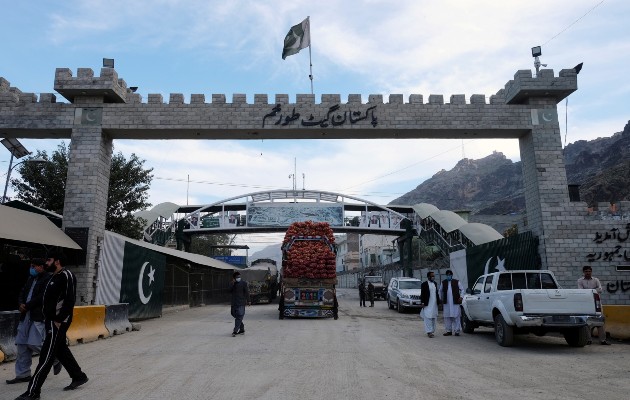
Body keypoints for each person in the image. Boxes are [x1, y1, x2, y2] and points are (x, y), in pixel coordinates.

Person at [17, 251, 88, 400]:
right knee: (61, 350)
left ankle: (33, 392)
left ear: (57, 261)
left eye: (48, 260)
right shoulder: (52, 277)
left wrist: (59, 319)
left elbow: (70, 300)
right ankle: (78, 376)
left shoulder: (67, 275)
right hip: (50, 320)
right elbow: (44, 298)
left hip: (58, 322)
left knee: (46, 356)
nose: (46, 263)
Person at [6, 259, 61, 385]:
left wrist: (28, 305)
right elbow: (22, 292)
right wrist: (20, 303)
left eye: (33, 266)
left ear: (41, 267)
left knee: (34, 343)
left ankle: (55, 357)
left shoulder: (47, 279)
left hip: (37, 317)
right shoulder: (30, 279)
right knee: (21, 345)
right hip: (25, 316)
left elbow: (42, 297)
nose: (31, 268)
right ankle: (23, 374)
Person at [578, 266, 610, 345]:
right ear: (583, 272)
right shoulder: (580, 280)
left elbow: (600, 290)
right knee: (588, 322)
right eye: (586, 271)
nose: (588, 273)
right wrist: (593, 290)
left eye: (589, 271)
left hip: (597, 303)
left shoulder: (596, 280)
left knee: (600, 321)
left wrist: (588, 291)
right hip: (586, 304)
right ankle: (588, 340)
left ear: (591, 272)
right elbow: (581, 292)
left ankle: (603, 340)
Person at [440, 270, 464, 336]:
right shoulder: (443, 282)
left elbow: (462, 290)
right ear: (446, 275)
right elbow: (440, 291)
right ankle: (449, 331)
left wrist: (461, 297)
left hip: (455, 302)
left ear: (452, 275)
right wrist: (441, 299)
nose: (448, 276)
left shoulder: (457, 282)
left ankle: (457, 331)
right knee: (447, 317)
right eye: (447, 275)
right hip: (447, 303)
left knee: (456, 316)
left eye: (450, 275)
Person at [420, 271, 440, 338]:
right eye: (432, 276)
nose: (433, 277)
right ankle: (429, 332)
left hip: (434, 304)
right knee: (428, 317)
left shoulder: (435, 283)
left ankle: (432, 330)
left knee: (433, 317)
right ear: (428, 277)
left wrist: (439, 302)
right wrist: (422, 302)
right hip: (427, 304)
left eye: (434, 276)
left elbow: (436, 294)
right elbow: (422, 294)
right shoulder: (424, 284)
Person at [229, 271, 250, 337]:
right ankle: (242, 329)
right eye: (237, 277)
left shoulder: (244, 283)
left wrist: (249, 300)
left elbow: (247, 292)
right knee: (233, 314)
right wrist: (233, 284)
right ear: (234, 278)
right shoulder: (232, 283)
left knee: (239, 316)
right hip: (234, 303)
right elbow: (229, 291)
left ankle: (235, 331)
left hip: (241, 303)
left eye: (239, 276)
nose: (238, 278)